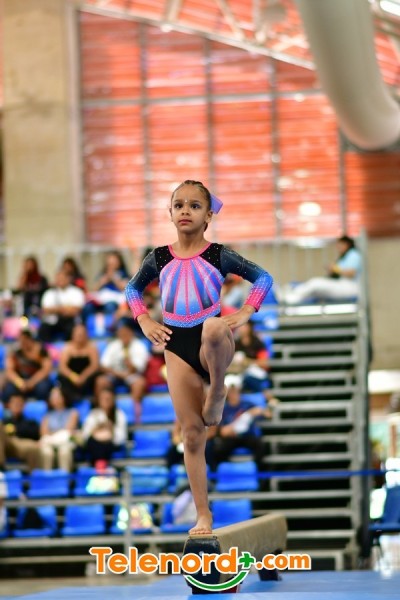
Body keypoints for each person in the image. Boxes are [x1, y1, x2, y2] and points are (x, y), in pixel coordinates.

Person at [125, 179, 273, 534]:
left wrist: (245, 312)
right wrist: (144, 319)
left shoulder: (218, 254)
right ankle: (203, 514)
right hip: (176, 344)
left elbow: (263, 278)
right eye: (179, 205)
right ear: (170, 213)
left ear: (208, 215)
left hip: (214, 343)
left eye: (194, 206)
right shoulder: (159, 257)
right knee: (192, 435)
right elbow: (132, 288)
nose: (185, 211)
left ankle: (218, 387)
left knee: (213, 326)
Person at [206, 375, 271, 471]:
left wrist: (256, 412)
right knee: (217, 450)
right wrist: (228, 430)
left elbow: (267, 414)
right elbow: (221, 431)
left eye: (235, 390)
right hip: (230, 438)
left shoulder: (248, 404)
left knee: (261, 446)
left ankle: (261, 475)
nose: (233, 393)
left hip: (247, 436)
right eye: (231, 391)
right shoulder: (223, 409)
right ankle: (219, 474)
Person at [279, 235, 362, 305]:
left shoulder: (353, 254)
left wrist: (335, 269)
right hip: (343, 285)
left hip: (349, 287)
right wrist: (333, 271)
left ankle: (291, 297)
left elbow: (351, 273)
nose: (338, 247)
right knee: (315, 290)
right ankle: (291, 295)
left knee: (315, 283)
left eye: (340, 245)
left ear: (346, 244)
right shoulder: (345, 256)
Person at [100, 321, 149, 421]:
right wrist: (117, 374)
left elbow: (139, 368)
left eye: (126, 333)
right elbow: (103, 366)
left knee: (139, 383)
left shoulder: (139, 346)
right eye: (121, 333)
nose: (123, 335)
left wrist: (129, 362)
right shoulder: (113, 345)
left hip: (131, 375)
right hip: (115, 374)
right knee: (100, 382)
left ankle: (136, 416)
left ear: (131, 333)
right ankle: (101, 413)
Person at [2, 329, 53, 402]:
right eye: (21, 341)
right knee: (8, 390)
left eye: (26, 340)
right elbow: (9, 371)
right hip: (21, 379)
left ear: (30, 339)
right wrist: (19, 383)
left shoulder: (41, 350)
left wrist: (32, 382)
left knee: (43, 388)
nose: (24, 343)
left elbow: (46, 369)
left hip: (37, 379)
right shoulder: (15, 351)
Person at [82, 387, 127, 466]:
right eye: (103, 399)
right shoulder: (93, 414)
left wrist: (111, 430)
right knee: (95, 444)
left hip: (111, 445)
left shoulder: (119, 415)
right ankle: (100, 466)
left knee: (104, 445)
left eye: (108, 399)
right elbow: (85, 435)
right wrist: (96, 429)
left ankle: (101, 466)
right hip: (94, 444)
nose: (106, 401)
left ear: (113, 400)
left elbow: (121, 438)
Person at [38, 270, 86, 342]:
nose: (60, 280)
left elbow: (76, 310)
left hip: (70, 320)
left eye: (63, 278)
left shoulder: (76, 292)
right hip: (53, 321)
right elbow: (46, 309)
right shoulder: (49, 293)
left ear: (68, 279)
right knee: (43, 329)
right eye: (59, 278)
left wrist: (56, 309)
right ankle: (46, 347)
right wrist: (65, 308)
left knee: (72, 329)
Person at [40, 386, 79, 472]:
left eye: (57, 395)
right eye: (52, 396)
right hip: (50, 443)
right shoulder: (47, 415)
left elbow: (68, 431)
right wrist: (59, 432)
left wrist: (52, 433)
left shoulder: (73, 412)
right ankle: (47, 477)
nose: (54, 398)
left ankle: (64, 478)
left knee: (64, 452)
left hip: (65, 443)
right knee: (46, 452)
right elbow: (44, 433)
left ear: (64, 397)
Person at [58, 323, 100, 402]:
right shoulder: (67, 348)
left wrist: (83, 377)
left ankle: (96, 401)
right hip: (72, 378)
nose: (80, 337)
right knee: (62, 379)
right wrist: (74, 377)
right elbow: (63, 367)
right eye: (78, 335)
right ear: (73, 335)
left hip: (87, 378)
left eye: (82, 335)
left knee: (99, 380)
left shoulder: (92, 348)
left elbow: (94, 366)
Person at [0, 393, 42, 471]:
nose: (16, 405)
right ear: (9, 405)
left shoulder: (30, 423)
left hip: (22, 443)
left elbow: (36, 435)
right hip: (6, 443)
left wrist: (16, 429)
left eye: (19, 403)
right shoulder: (4, 422)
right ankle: (1, 467)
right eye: (14, 403)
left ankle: (33, 475)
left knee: (33, 447)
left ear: (24, 405)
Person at [230, 320, 271, 393]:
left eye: (244, 326)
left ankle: (265, 393)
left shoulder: (257, 343)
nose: (241, 328)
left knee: (249, 374)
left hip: (255, 371)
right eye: (240, 326)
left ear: (249, 328)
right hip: (238, 372)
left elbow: (264, 363)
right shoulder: (235, 343)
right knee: (230, 382)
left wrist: (247, 361)